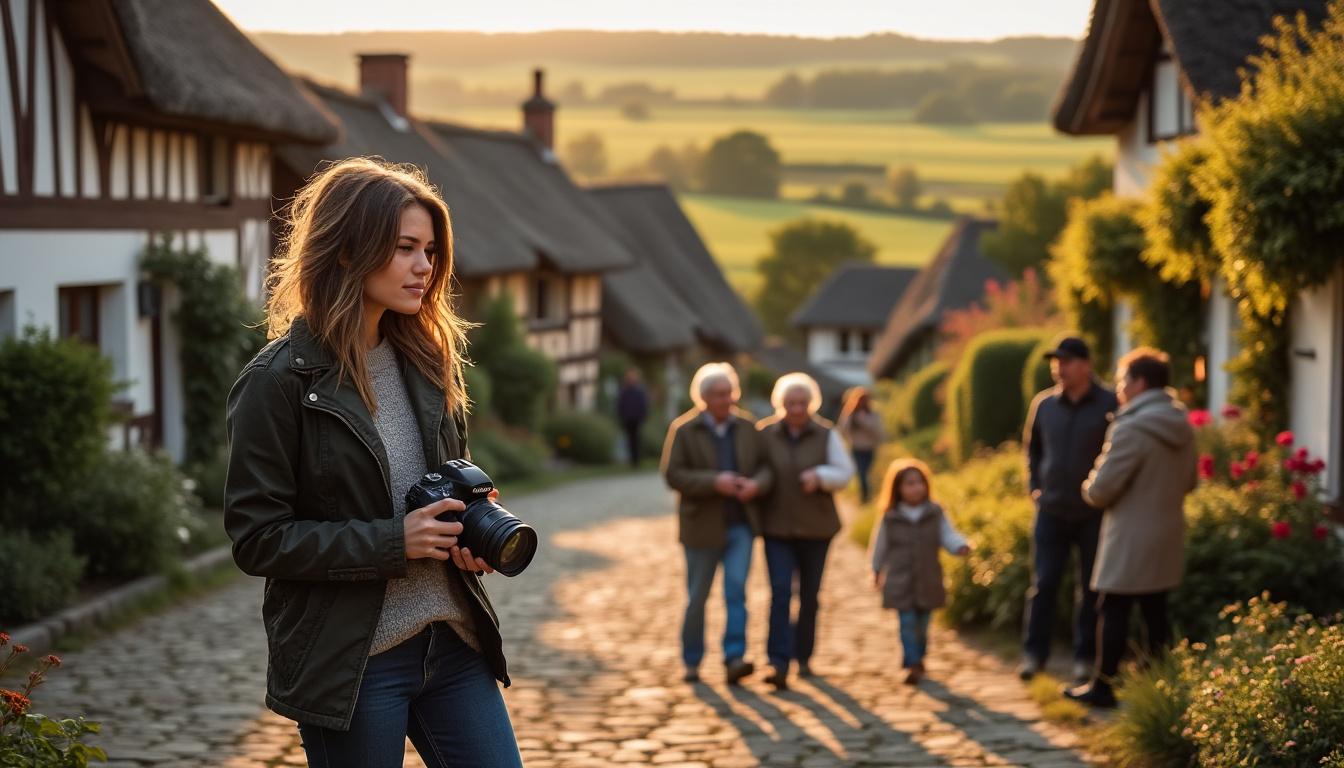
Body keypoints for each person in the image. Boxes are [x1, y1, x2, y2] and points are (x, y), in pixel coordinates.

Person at [223, 158, 522, 767]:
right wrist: (394, 541)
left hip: (453, 641)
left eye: (430, 250)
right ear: (345, 251)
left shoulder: (428, 363)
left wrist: (467, 527)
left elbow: (441, 479)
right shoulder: (276, 383)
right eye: (405, 248)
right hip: (352, 663)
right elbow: (258, 539)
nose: (425, 267)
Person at [1065, 348, 1197, 708]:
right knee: (1156, 608)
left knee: (1112, 606)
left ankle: (1104, 686)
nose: (1119, 388)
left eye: (1123, 380)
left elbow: (1101, 488)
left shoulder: (1131, 426)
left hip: (1129, 532)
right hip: (1167, 527)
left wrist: (1088, 485)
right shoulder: (1181, 423)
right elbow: (1190, 481)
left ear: (1140, 383)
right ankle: (1160, 687)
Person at [661, 362, 773, 685]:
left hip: (741, 524)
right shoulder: (684, 430)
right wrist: (714, 482)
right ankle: (692, 660)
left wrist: (757, 485)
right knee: (698, 596)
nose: (727, 400)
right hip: (701, 527)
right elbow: (673, 475)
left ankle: (734, 658)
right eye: (720, 395)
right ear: (704, 398)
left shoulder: (748, 428)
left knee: (736, 591)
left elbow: (766, 467)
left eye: (730, 393)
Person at [1019, 335, 1118, 685]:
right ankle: (1034, 654)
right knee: (1044, 584)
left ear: (1086, 365)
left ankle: (1084, 658)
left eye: (1066, 361)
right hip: (1051, 510)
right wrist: (1034, 484)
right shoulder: (1044, 405)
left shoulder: (1109, 403)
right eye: (1055, 361)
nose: (1059, 368)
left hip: (1094, 512)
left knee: (1091, 589)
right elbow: (1033, 450)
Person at [755, 372, 854, 690]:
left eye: (802, 403)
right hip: (777, 528)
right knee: (781, 592)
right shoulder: (766, 434)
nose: (796, 409)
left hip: (817, 528)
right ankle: (777, 660)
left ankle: (804, 656)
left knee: (809, 596)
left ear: (812, 404)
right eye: (790, 403)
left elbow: (845, 473)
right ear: (780, 404)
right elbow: (756, 468)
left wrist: (821, 476)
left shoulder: (827, 434)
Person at [869, 458, 971, 685]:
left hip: (928, 578)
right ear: (897, 489)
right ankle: (912, 663)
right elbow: (880, 546)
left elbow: (948, 535)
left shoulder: (935, 513)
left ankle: (919, 655)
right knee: (906, 623)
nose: (916, 488)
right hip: (900, 580)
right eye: (909, 483)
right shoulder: (890, 516)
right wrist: (876, 570)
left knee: (923, 625)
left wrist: (960, 546)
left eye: (919, 482)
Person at [837, 386, 885, 502]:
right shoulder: (850, 414)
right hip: (857, 448)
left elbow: (878, 431)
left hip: (869, 448)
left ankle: (870, 494)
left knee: (868, 473)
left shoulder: (872, 414)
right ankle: (865, 496)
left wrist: (864, 422)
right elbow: (842, 430)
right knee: (862, 473)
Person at [616, 368, 650, 468]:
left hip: (637, 419)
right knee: (630, 440)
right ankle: (632, 460)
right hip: (628, 419)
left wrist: (643, 416)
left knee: (637, 439)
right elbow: (620, 405)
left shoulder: (639, 391)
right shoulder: (625, 391)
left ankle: (637, 460)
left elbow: (643, 405)